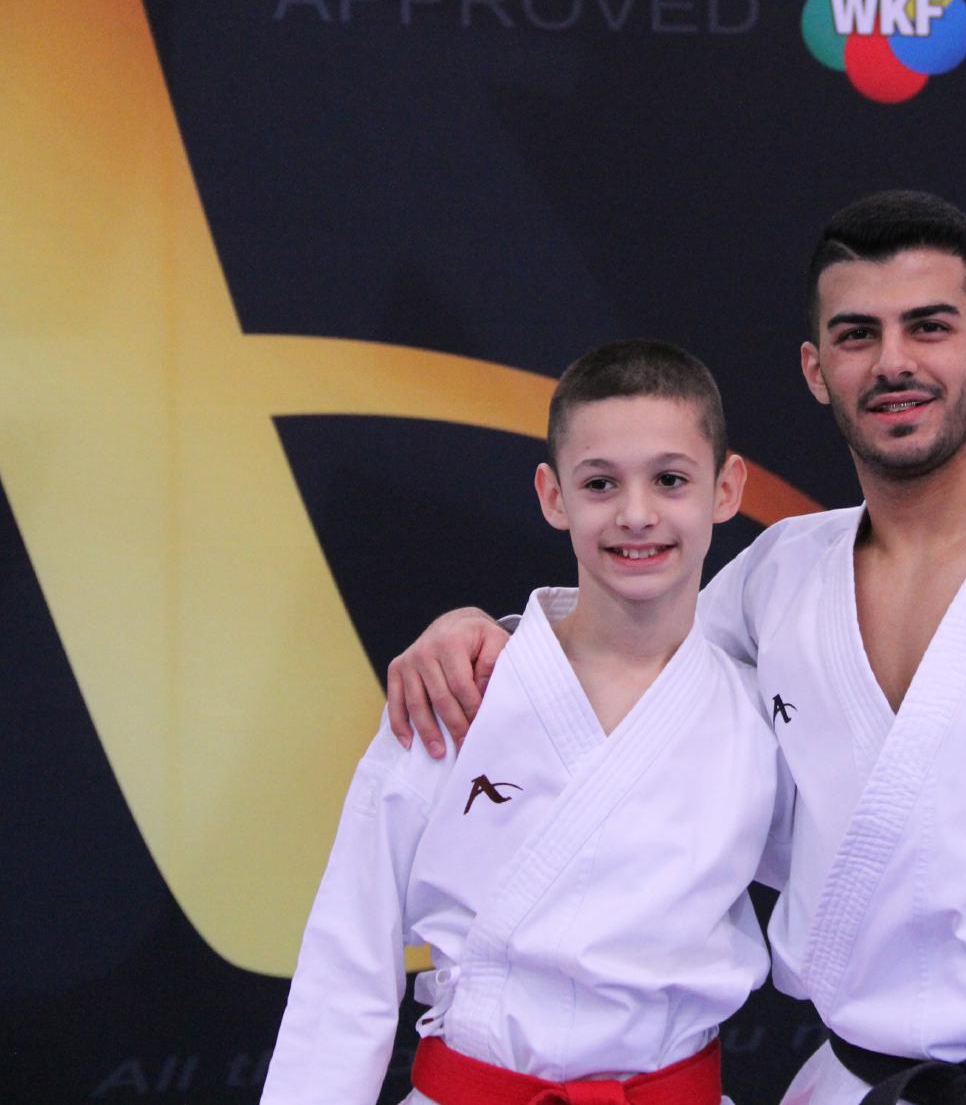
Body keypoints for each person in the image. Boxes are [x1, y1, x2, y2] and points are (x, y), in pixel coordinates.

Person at [389, 192, 966, 1105]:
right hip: (861, 1082)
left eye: (929, 326)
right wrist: (489, 637)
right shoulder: (780, 575)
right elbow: (629, 671)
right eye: (857, 335)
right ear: (815, 368)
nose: (893, 361)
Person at [266, 341, 781, 1105]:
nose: (636, 514)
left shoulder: (758, 715)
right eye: (599, 482)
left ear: (725, 487)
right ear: (553, 495)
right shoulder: (460, 690)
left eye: (670, 479)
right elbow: (349, 955)